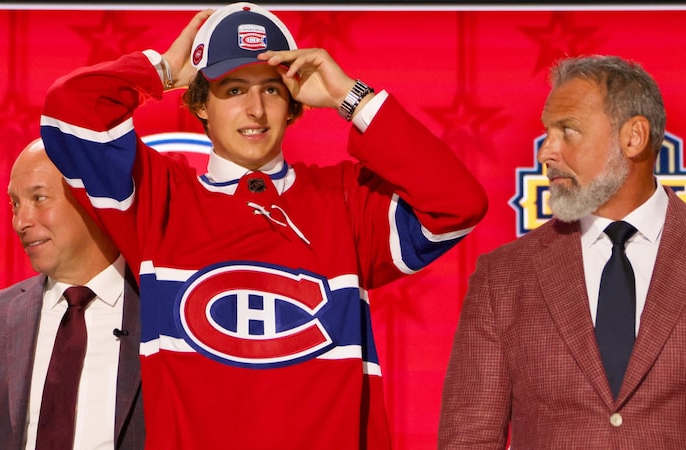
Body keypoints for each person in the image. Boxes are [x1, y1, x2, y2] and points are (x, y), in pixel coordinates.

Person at [40, 2, 487, 449]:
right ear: (199, 104)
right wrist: (160, 70)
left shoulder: (348, 200)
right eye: (233, 90)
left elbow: (458, 204)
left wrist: (351, 97)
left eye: (271, 91)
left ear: (293, 104)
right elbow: (69, 111)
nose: (255, 109)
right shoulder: (158, 198)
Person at [438, 54, 686, 449]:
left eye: (567, 131)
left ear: (633, 137)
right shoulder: (503, 276)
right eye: (547, 133)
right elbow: (469, 438)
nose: (546, 153)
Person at [0, 139, 144, 450]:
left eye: (39, 198)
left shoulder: (168, 315)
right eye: (15, 204)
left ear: (93, 199)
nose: (21, 222)